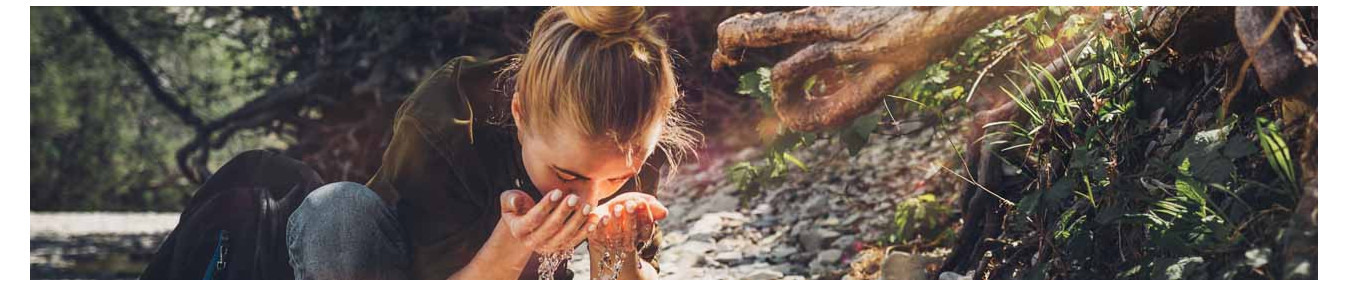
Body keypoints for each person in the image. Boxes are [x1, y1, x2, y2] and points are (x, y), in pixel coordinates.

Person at [284, 6, 697, 280]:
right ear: (520, 114)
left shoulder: (630, 132)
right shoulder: (447, 121)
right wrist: (513, 244)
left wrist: (617, 253)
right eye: (568, 175)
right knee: (337, 211)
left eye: (615, 179)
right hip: (395, 265)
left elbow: (634, 273)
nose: (589, 200)